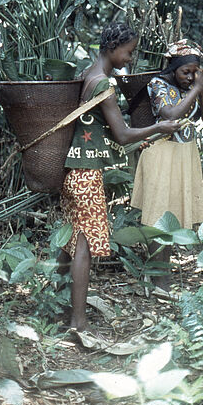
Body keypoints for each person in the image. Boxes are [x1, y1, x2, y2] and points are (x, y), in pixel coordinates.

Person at [57, 22, 181, 333]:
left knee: (70, 244)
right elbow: (123, 135)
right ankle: (79, 323)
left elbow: (105, 129)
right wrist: (158, 128)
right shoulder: (104, 85)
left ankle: (60, 310)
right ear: (112, 48)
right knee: (82, 247)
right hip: (87, 177)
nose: (130, 58)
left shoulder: (90, 74)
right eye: (129, 52)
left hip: (75, 170)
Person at [131, 39, 203, 293]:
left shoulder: (193, 87)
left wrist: (201, 92)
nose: (190, 77)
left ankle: (158, 277)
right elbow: (170, 115)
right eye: (185, 72)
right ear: (173, 69)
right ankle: (160, 281)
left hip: (184, 155)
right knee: (160, 215)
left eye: (194, 72)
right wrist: (196, 88)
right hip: (161, 155)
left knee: (174, 215)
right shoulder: (157, 84)